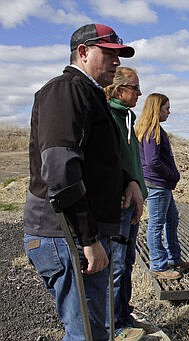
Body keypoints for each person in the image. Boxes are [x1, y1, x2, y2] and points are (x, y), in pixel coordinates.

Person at [23, 24, 142, 341]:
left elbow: (95, 159)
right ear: (84, 52)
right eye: (110, 54)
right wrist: (88, 239)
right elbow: (61, 171)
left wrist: (127, 180)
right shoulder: (66, 90)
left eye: (119, 56)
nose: (116, 62)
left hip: (77, 235)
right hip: (66, 235)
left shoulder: (89, 94)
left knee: (94, 330)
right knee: (86, 335)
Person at [104, 66, 147, 340]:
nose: (139, 93)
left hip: (132, 202)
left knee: (127, 261)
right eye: (135, 88)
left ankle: (124, 313)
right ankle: (115, 325)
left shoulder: (128, 117)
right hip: (118, 205)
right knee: (117, 265)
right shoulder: (108, 117)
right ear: (120, 90)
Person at [134, 93, 189, 280]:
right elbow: (152, 162)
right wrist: (172, 174)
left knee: (172, 219)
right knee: (156, 224)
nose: (169, 111)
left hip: (161, 185)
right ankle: (159, 264)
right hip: (157, 185)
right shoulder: (152, 131)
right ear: (156, 109)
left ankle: (174, 258)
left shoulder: (152, 129)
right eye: (166, 108)